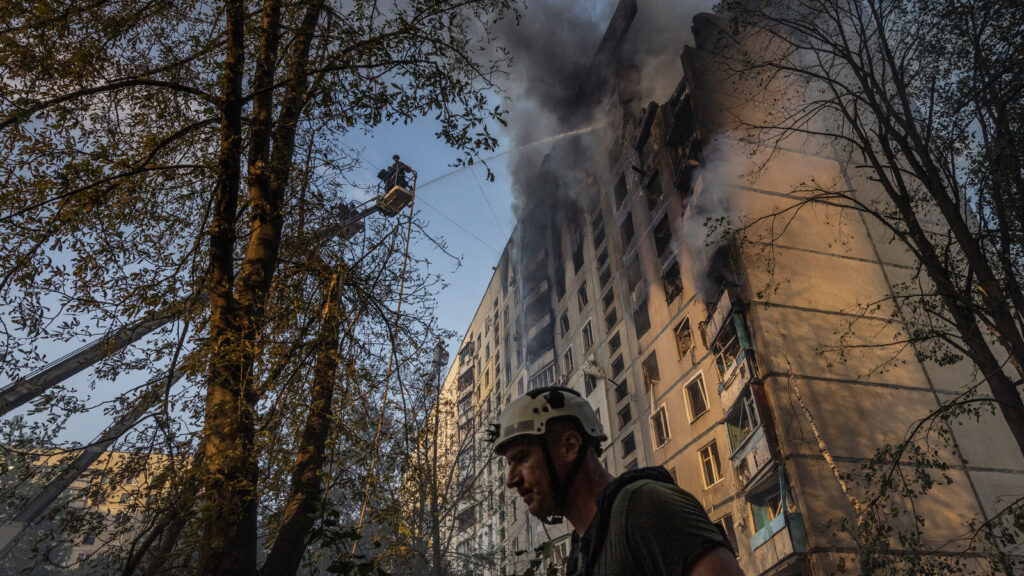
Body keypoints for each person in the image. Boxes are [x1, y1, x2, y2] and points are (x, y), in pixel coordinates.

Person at [491, 386, 744, 576]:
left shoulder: (644, 507)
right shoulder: (581, 555)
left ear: (569, 446)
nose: (511, 481)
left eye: (522, 458)